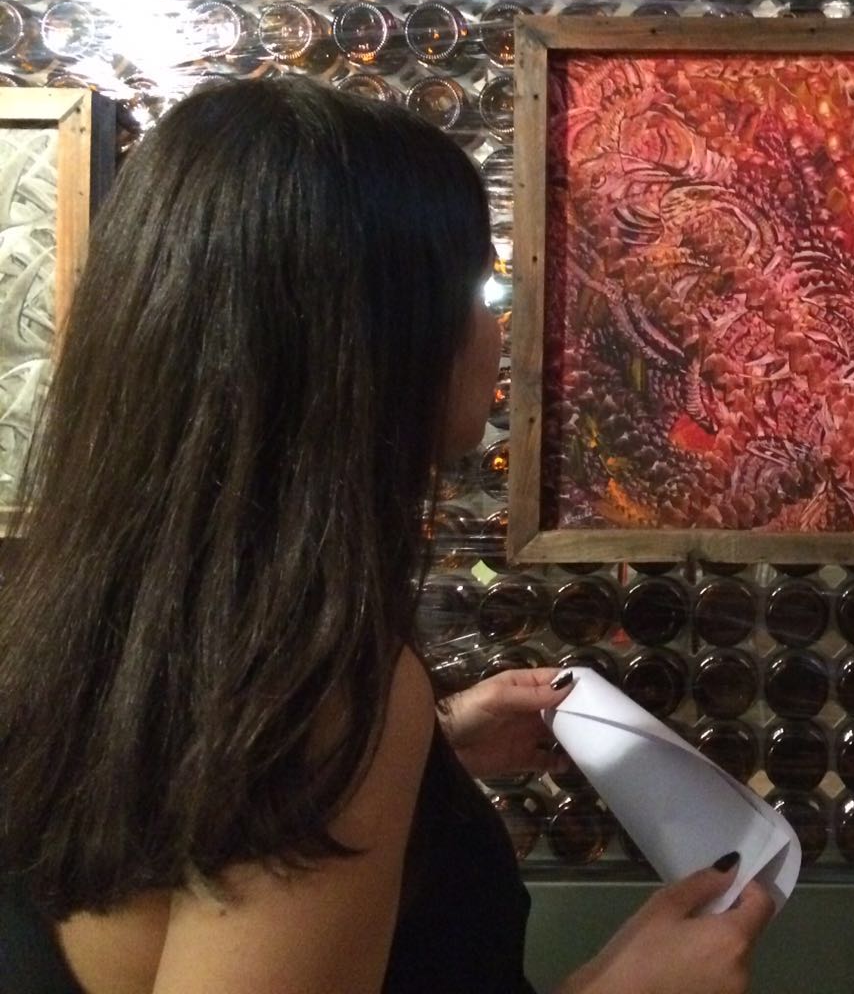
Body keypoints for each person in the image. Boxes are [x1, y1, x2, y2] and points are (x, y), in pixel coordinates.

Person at [0, 77, 774, 994]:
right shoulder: (318, 691)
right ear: (376, 336)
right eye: (479, 288)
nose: (495, 327)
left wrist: (435, 749)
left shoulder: (78, 619)